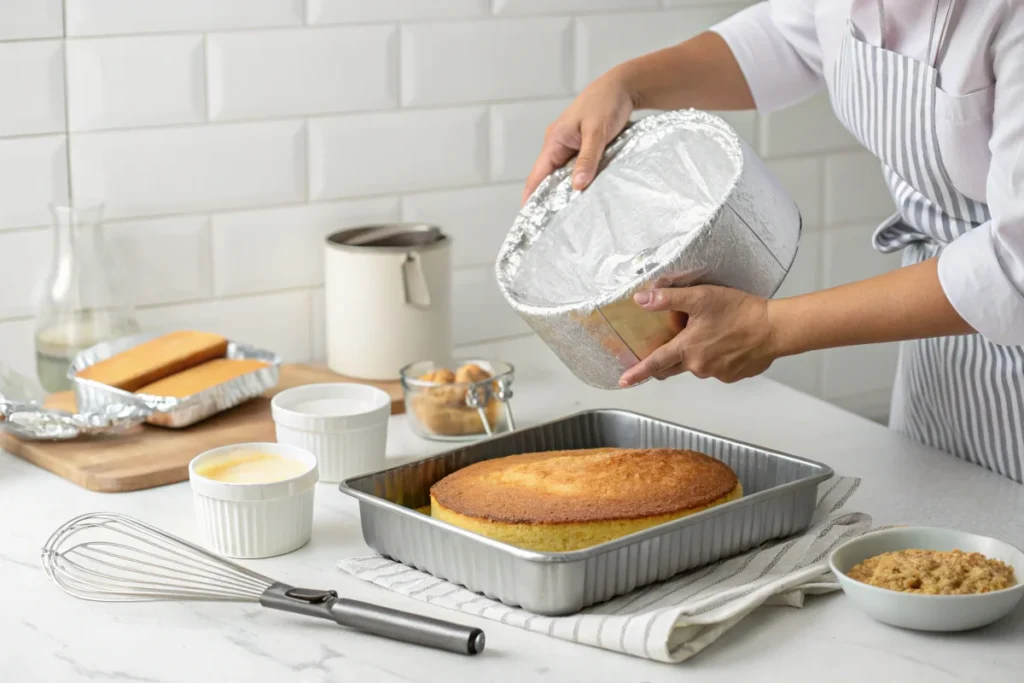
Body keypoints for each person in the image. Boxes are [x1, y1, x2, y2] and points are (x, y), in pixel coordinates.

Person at [522, 1, 1024, 484]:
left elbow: (1014, 266)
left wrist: (770, 328)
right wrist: (626, 85)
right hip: (945, 362)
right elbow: (789, 35)